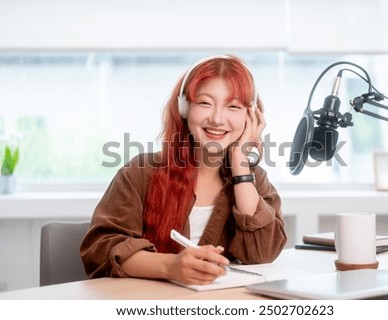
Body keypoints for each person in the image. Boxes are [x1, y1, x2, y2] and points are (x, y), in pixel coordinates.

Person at [80, 54, 287, 285]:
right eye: (205, 103)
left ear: (251, 118)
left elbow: (263, 253)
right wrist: (170, 266)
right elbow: (101, 249)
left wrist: (240, 165)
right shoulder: (140, 172)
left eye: (233, 106)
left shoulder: (252, 180)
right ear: (184, 108)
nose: (217, 119)